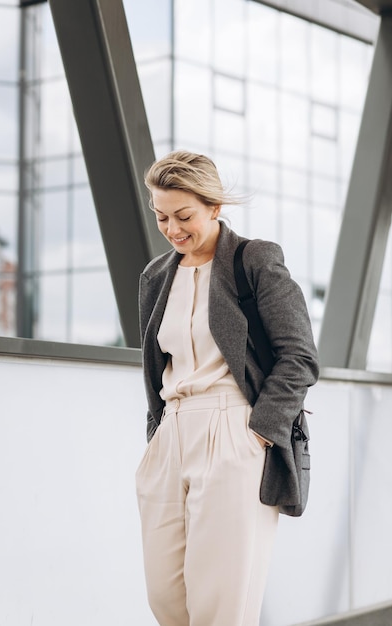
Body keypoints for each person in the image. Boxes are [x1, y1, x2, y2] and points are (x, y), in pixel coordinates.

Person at [135, 150, 319, 626]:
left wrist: (257, 433)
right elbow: (157, 366)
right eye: (161, 217)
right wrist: (157, 437)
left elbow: (299, 355)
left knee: (222, 605)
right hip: (172, 432)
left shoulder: (252, 260)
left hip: (233, 429)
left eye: (183, 216)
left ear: (214, 207)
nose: (172, 229)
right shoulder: (155, 277)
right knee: (166, 597)